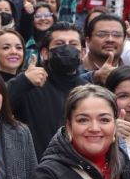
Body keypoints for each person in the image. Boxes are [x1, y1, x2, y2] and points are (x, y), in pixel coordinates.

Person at [9, 22, 90, 157]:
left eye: (73, 44)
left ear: (82, 53)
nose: (66, 48)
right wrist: (23, 81)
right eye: (59, 43)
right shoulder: (28, 85)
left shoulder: (89, 91)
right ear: (45, 53)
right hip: (36, 169)